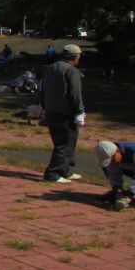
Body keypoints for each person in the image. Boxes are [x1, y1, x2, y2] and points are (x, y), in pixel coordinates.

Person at [40, 44, 85, 183]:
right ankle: (53, 173)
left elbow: (42, 89)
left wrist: (42, 105)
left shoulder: (49, 68)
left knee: (62, 142)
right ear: (75, 57)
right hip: (66, 112)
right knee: (65, 143)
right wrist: (79, 111)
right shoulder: (71, 71)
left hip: (51, 110)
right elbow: (75, 94)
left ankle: (66, 170)